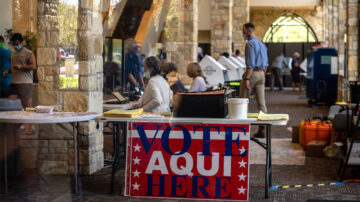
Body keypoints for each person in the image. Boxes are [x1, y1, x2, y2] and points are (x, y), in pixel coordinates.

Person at [239, 23, 268, 138]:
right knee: (261, 103)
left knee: (242, 102)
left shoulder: (250, 44)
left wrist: (247, 78)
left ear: (248, 30)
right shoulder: (262, 44)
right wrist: (261, 74)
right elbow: (266, 64)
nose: (243, 33)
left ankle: (242, 132)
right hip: (262, 74)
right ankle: (262, 130)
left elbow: (250, 64)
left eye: (243, 30)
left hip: (252, 74)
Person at [3, 33, 36, 108]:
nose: (15, 46)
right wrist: (7, 71)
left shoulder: (29, 53)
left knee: (26, 105)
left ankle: (29, 119)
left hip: (25, 83)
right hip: (14, 83)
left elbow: (34, 66)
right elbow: (13, 67)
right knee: (10, 104)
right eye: (14, 44)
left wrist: (21, 67)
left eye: (17, 44)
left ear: (22, 42)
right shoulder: (12, 54)